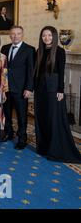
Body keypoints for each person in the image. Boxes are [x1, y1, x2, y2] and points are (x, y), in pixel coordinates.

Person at [34, 26, 81, 163]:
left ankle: (55, 149)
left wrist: (61, 90)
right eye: (44, 36)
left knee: (53, 118)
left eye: (49, 35)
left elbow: (61, 73)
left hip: (53, 89)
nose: (46, 38)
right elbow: (37, 72)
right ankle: (43, 147)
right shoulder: (39, 51)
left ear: (54, 37)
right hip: (40, 89)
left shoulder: (60, 52)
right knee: (42, 117)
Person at [0, 26, 35, 149]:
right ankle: (9, 133)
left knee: (21, 115)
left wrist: (29, 88)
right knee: (7, 113)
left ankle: (22, 138)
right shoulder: (4, 48)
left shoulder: (29, 50)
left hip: (21, 89)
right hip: (6, 88)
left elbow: (31, 71)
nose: (15, 36)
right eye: (13, 34)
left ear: (22, 34)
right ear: (10, 35)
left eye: (18, 33)